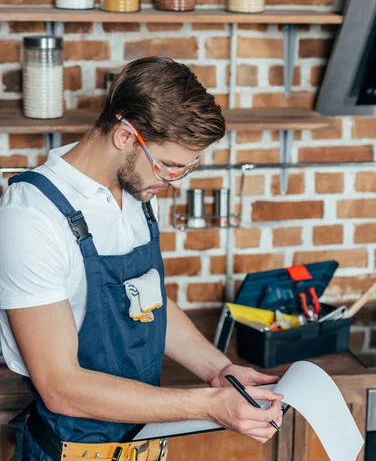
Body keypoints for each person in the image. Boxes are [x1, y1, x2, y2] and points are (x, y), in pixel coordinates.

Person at [0, 57, 283, 461]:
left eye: (185, 169)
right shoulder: (32, 215)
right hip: (71, 451)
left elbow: (147, 302)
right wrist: (207, 404)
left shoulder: (134, 190)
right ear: (124, 135)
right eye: (168, 166)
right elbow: (60, 387)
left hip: (144, 444)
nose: (173, 183)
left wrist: (219, 372)